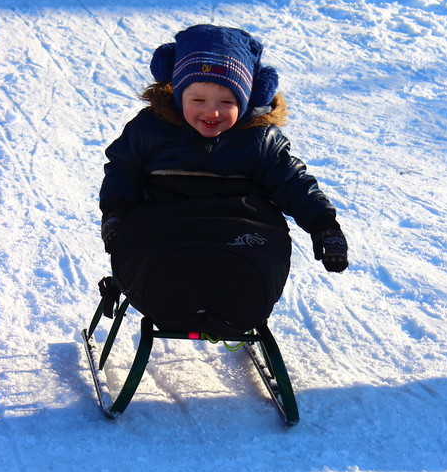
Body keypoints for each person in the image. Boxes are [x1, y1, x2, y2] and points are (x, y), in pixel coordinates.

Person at [99, 24, 348, 337]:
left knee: (248, 280)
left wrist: (324, 224)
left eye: (226, 102)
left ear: (246, 101)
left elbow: (294, 182)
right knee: (164, 273)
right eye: (198, 100)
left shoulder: (258, 139)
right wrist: (115, 212)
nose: (212, 112)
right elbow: (123, 169)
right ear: (176, 92)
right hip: (163, 228)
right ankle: (175, 299)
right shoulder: (151, 129)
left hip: (242, 230)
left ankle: (235, 306)